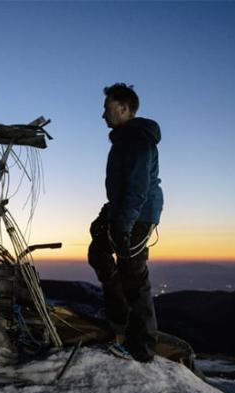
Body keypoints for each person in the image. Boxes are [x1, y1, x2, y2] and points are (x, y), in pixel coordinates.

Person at [88, 83, 163, 362]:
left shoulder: (136, 139)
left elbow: (138, 188)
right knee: (99, 252)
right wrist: (107, 214)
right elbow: (123, 187)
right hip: (125, 210)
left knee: (133, 272)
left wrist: (124, 224)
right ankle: (119, 318)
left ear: (123, 108)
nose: (103, 114)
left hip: (138, 214)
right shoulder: (125, 138)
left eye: (107, 108)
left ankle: (141, 347)